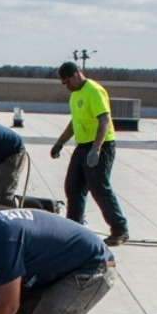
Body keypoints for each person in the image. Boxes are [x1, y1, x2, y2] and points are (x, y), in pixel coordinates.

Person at [49, 61, 129, 247]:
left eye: (67, 82)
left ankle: (119, 230)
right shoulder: (75, 95)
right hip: (82, 146)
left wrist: (96, 149)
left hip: (101, 146)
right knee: (73, 187)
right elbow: (74, 122)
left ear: (77, 74)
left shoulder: (94, 91)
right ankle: (73, 229)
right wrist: (60, 142)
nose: (66, 86)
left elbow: (104, 120)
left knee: (99, 188)